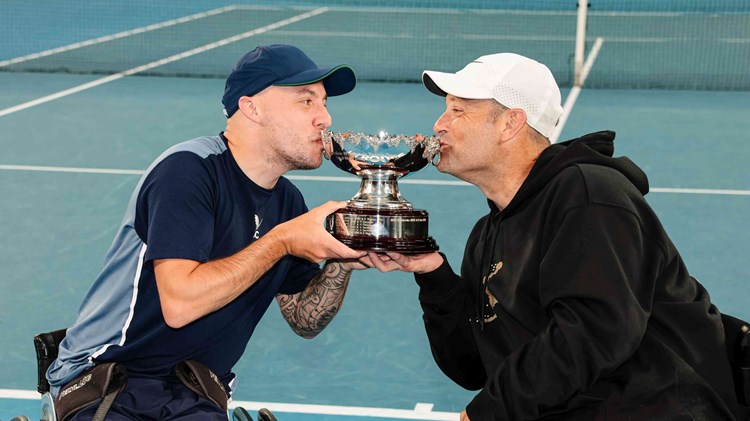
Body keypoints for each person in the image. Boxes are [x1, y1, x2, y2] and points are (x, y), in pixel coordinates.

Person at [369, 53, 743, 420]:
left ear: (510, 123)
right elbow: (472, 369)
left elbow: (593, 334)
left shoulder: (589, 195)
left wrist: (487, 413)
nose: (439, 124)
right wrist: (433, 275)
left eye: (458, 110)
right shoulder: (487, 235)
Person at [46, 44, 370, 420]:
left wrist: (343, 259)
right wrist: (280, 241)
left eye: (324, 102)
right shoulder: (188, 172)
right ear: (252, 107)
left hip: (192, 392)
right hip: (108, 381)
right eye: (306, 101)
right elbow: (180, 305)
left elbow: (304, 319)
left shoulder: (287, 202)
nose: (325, 118)